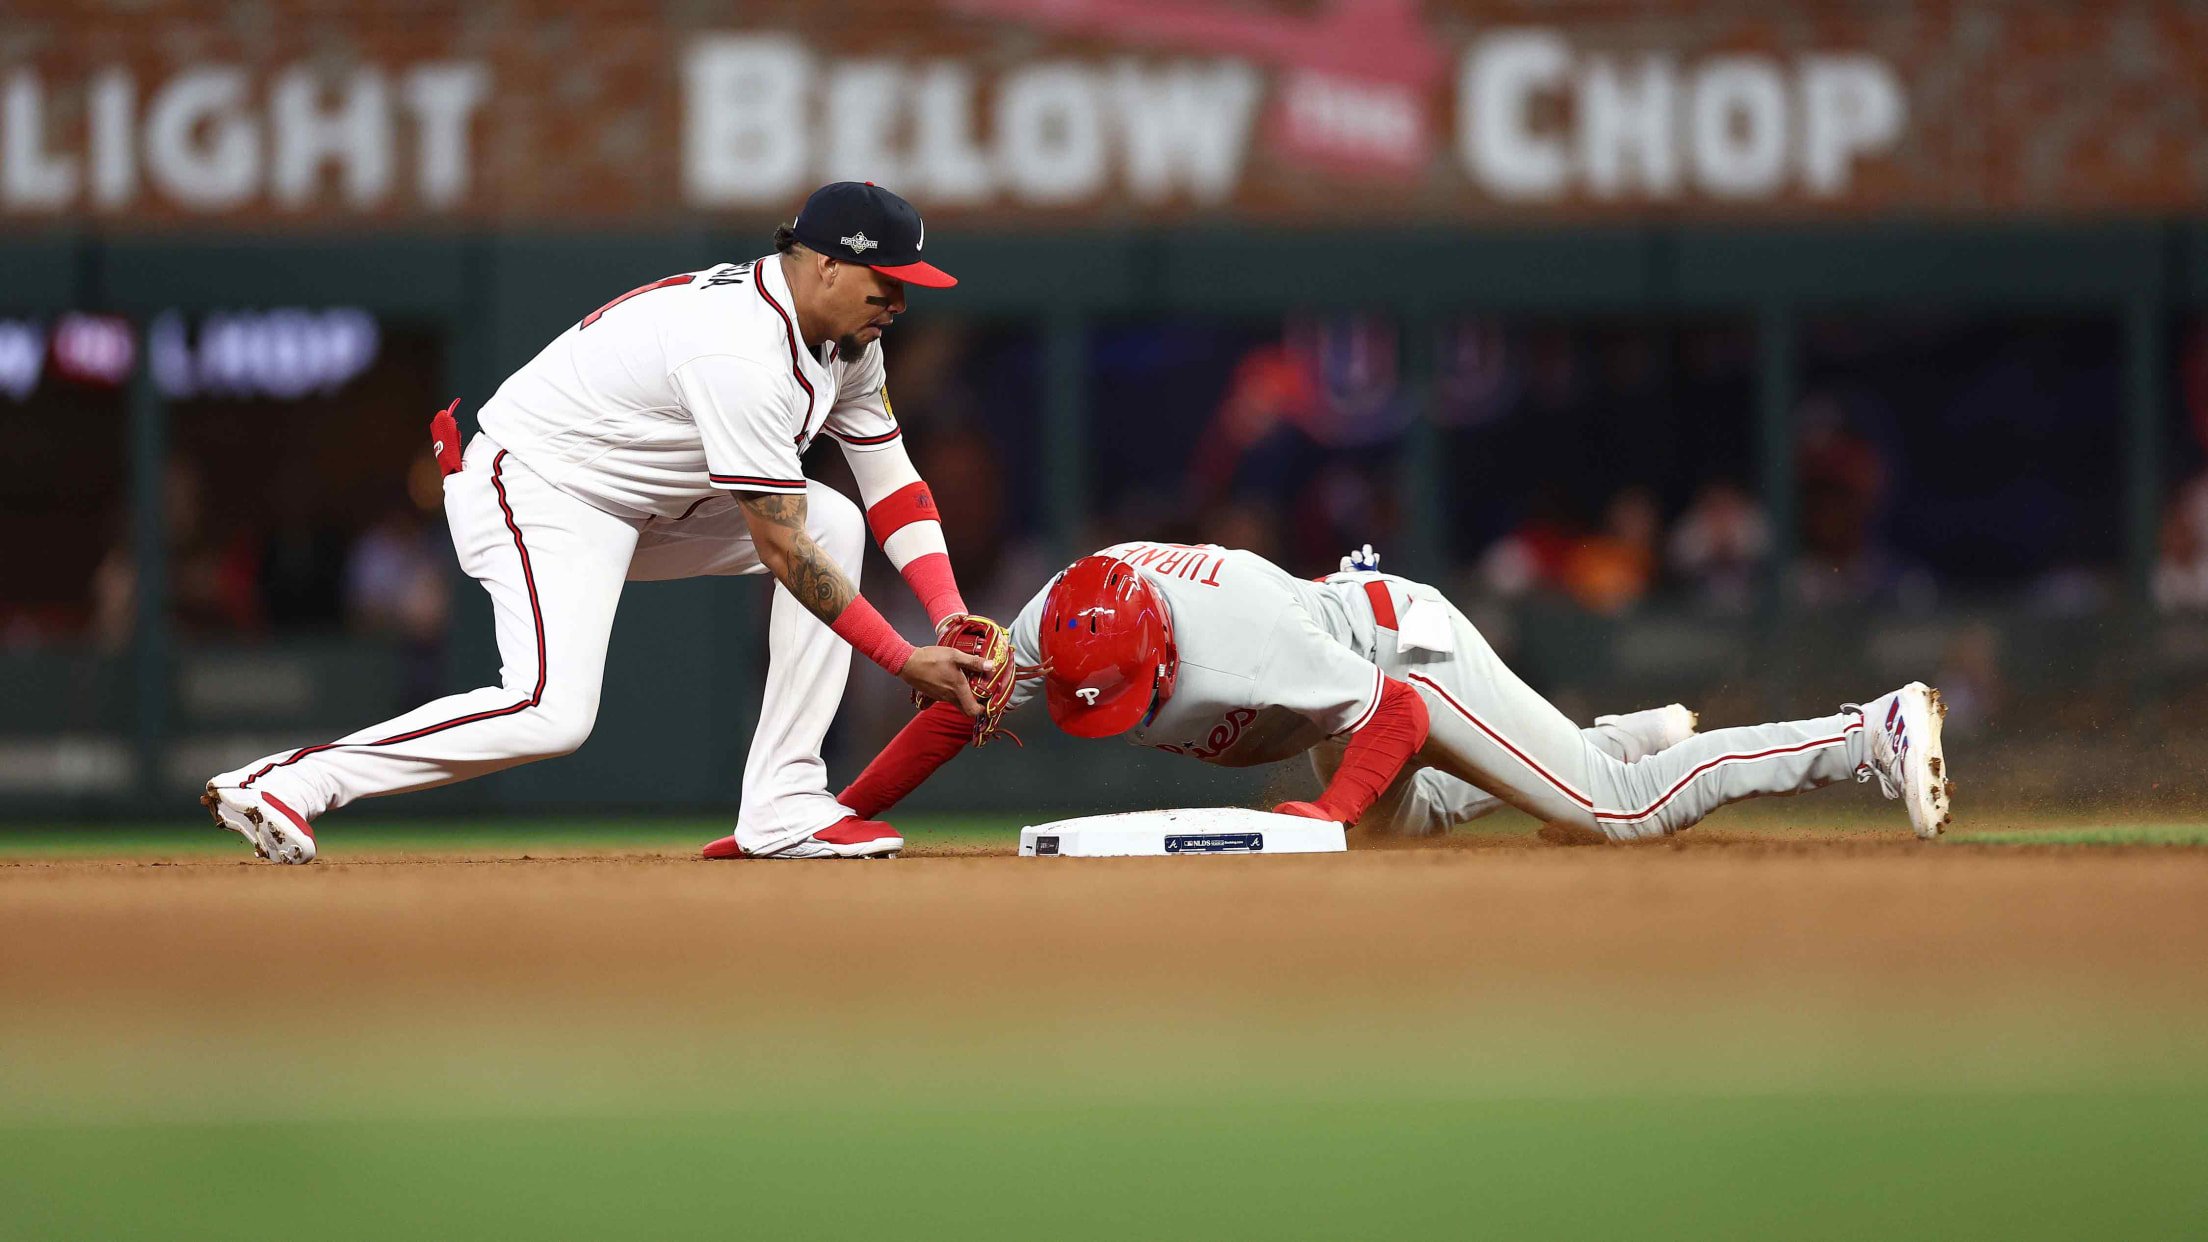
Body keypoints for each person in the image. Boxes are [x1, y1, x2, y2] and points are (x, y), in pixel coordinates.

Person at [203, 182, 995, 863]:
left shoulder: (846, 342)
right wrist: (902, 660)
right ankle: (280, 781)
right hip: (537, 487)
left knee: (836, 518)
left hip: (638, 501)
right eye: (885, 279)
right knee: (551, 712)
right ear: (825, 262)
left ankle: (784, 805)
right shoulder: (741, 352)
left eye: (906, 282)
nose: (899, 299)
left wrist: (949, 616)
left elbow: (894, 484)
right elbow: (781, 550)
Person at [809, 540, 1952, 848]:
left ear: (1160, 654)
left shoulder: (1238, 643)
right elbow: (963, 704)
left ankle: (1866, 733)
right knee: (1407, 828)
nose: (1113, 718)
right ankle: (1604, 738)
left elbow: (1393, 719)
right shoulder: (1064, 618)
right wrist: (843, 811)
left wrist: (1324, 817)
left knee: (1617, 811)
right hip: (1336, 687)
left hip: (1400, 663)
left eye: (1130, 700)